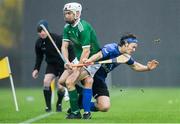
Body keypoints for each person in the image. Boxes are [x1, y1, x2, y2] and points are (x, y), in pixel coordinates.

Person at [77, 32, 159, 112]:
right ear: (126, 43)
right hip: (90, 74)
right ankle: (78, 103)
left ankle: (80, 104)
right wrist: (89, 60)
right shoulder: (111, 48)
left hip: (100, 79)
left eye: (135, 48)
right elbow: (99, 55)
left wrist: (148, 68)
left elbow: (135, 66)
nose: (134, 50)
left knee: (104, 107)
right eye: (133, 47)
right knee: (69, 81)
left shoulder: (125, 56)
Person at [59, 2, 101, 119]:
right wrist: (66, 61)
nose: (66, 16)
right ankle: (82, 95)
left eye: (69, 13)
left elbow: (86, 51)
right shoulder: (67, 27)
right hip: (80, 58)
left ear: (77, 14)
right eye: (65, 13)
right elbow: (64, 46)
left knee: (70, 82)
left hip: (91, 60)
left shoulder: (83, 27)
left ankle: (76, 112)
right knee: (62, 81)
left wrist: (78, 68)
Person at [32, 19, 74, 112]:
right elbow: (39, 57)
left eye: (43, 30)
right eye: (39, 31)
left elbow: (69, 48)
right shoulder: (38, 43)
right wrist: (36, 69)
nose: (42, 33)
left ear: (47, 30)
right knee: (46, 81)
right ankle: (48, 107)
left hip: (63, 65)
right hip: (51, 65)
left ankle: (59, 103)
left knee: (60, 87)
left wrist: (70, 62)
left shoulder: (57, 38)